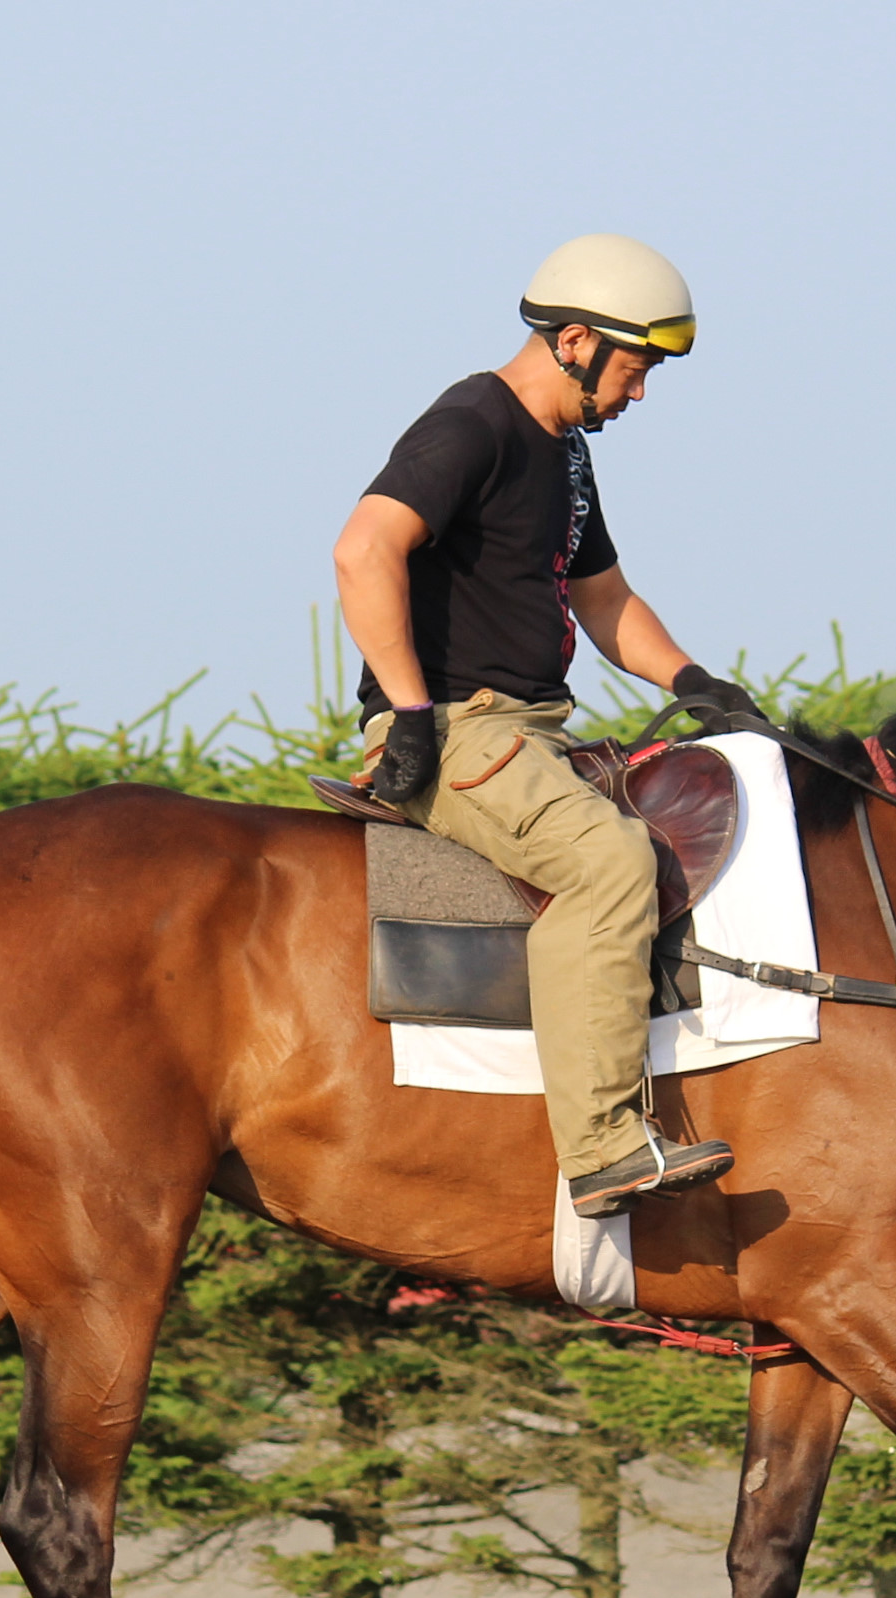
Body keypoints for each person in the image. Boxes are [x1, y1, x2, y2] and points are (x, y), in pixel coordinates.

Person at [334, 234, 759, 1219]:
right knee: (611, 865)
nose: (639, 394)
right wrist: (406, 713)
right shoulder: (471, 423)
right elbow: (363, 550)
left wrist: (696, 681)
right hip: (459, 729)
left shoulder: (560, 450)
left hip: (528, 730)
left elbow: (602, 597)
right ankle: (604, 1147)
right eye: (635, 368)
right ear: (574, 340)